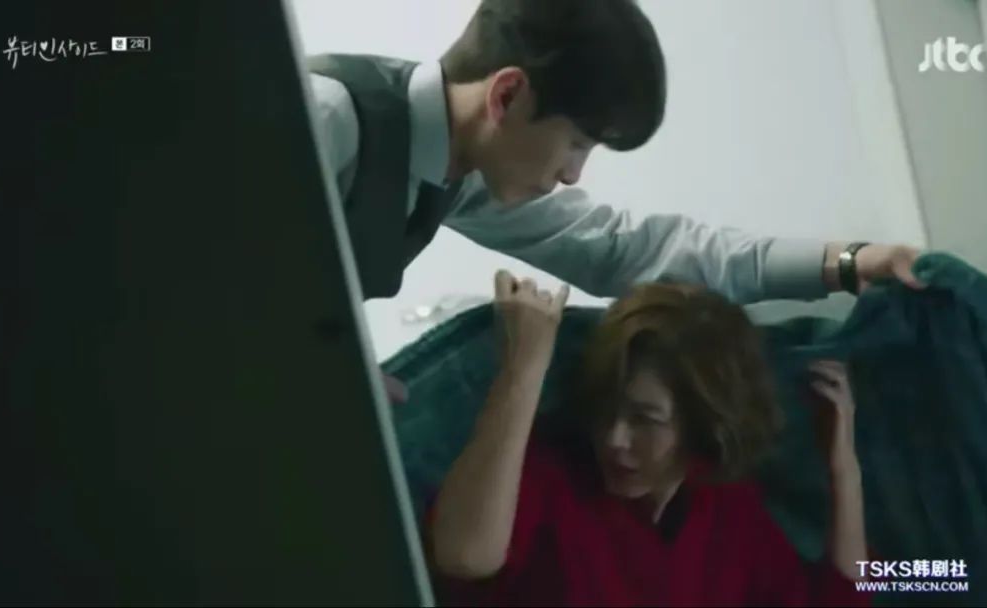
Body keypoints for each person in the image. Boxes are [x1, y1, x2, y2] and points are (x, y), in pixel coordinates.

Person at [306, 0, 927, 311]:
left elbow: (624, 249)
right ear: (508, 94)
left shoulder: (463, 174)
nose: (572, 174)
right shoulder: (326, 117)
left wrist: (845, 263)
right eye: (578, 142)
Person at [426, 270, 873, 606]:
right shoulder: (551, 476)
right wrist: (523, 369)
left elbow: (845, 598)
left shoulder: (727, 511)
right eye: (606, 406)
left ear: (702, 424)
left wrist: (845, 473)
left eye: (644, 419)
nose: (614, 438)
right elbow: (463, 557)